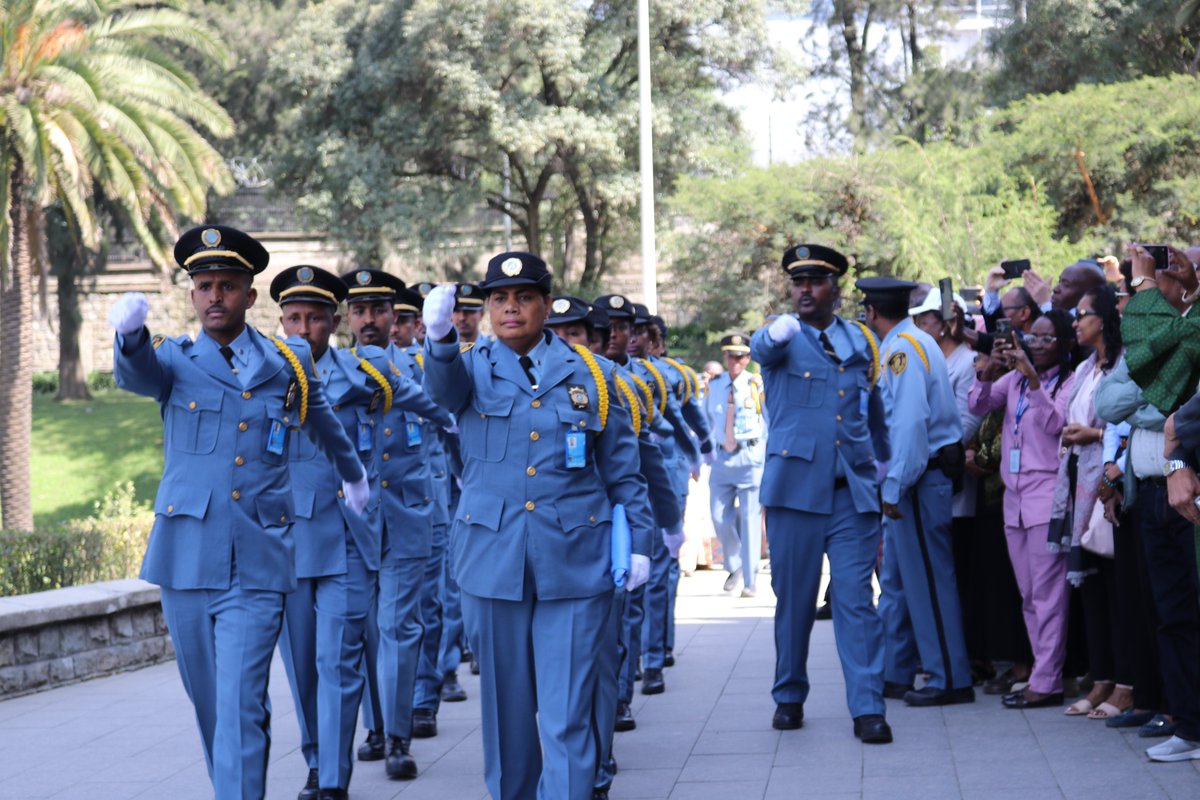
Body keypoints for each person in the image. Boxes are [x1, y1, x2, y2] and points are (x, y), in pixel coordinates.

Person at [105, 226, 369, 800]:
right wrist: (129, 337)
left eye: (227, 285)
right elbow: (138, 374)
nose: (215, 296)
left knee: (243, 702)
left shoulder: (287, 362)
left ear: (250, 295)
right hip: (186, 558)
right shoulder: (173, 359)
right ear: (193, 295)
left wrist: (353, 476)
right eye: (204, 286)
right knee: (212, 706)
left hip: (259, 558)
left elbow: (322, 420)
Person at [421, 252, 654, 799]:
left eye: (523, 297)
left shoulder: (593, 374)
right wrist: (437, 339)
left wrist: (639, 542)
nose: (510, 308)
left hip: (575, 561)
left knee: (570, 714)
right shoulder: (468, 367)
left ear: (546, 306)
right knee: (507, 720)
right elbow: (440, 396)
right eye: (498, 299)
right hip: (492, 562)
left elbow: (624, 472)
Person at [271, 266, 441, 800]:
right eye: (293, 319)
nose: (303, 330)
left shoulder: (380, 373)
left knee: (373, 638)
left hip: (378, 522)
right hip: (300, 530)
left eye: (315, 318)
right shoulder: (269, 373)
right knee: (310, 661)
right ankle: (328, 754)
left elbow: (445, 418)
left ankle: (386, 740)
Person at [749, 244, 892, 744]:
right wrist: (778, 329)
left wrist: (886, 473)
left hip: (851, 491)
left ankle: (868, 706)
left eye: (815, 282)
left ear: (836, 288)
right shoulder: (781, 337)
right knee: (795, 601)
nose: (804, 290)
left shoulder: (861, 341)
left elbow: (872, 417)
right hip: (794, 492)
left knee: (857, 599)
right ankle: (789, 694)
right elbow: (761, 348)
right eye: (798, 282)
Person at [341, 269, 452, 781]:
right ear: (347, 317)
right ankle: (376, 725)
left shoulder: (421, 368)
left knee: (400, 626)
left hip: (408, 515)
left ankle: (400, 737)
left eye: (378, 310)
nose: (369, 319)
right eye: (359, 310)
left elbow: (451, 427)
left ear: (394, 317)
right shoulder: (330, 371)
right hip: (353, 523)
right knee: (364, 629)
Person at [858, 276, 972, 709]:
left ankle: (949, 677)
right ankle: (898, 670)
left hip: (919, 479)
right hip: (916, 476)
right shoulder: (905, 343)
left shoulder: (904, 349)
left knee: (927, 579)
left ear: (871, 313)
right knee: (903, 582)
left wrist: (893, 484)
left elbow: (907, 424)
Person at [968, 310, 1077, 708]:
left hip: (1047, 498)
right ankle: (1041, 671)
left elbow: (1055, 424)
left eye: (1048, 339)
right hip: (1012, 501)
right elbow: (978, 406)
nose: (1038, 344)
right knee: (1029, 594)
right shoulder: (1012, 379)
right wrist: (988, 370)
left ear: (1066, 345)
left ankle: (1047, 681)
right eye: (1034, 338)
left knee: (1049, 595)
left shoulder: (1067, 381)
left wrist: (1033, 379)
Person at [1052, 285, 1127, 718]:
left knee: (1118, 590)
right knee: (1092, 589)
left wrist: (1095, 434)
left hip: (1109, 481)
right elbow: (1058, 416)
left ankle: (1125, 683)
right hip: (1080, 480)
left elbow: (1125, 423)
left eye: (1083, 314)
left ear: (1104, 319)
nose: (1075, 322)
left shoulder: (1122, 364)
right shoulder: (1085, 368)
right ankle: (1101, 680)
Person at [703, 333, 767, 597]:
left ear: (748, 358)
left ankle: (751, 580)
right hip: (722, 459)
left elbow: (770, 422)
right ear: (725, 357)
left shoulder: (756, 385)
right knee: (718, 516)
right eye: (731, 356)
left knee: (751, 520)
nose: (735, 361)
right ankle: (735, 565)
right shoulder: (715, 385)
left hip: (749, 457)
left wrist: (767, 454)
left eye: (741, 356)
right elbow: (705, 420)